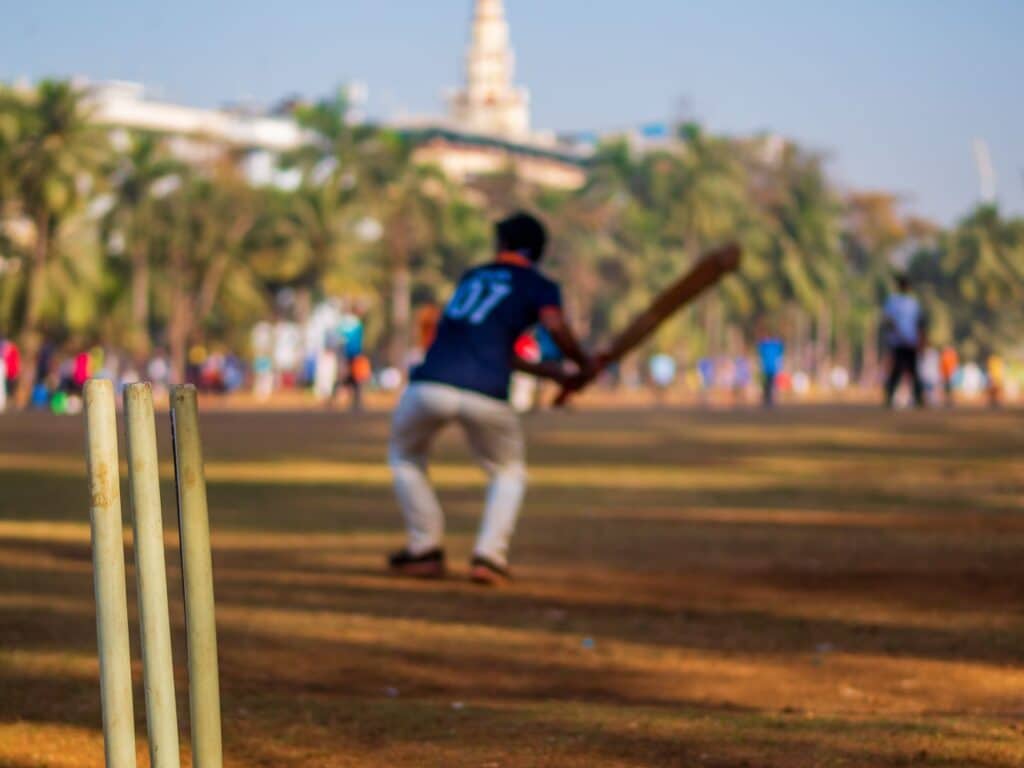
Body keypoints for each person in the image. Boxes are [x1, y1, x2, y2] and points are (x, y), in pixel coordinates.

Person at [388, 212, 595, 586]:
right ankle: (490, 556)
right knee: (507, 472)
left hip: (429, 383)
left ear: (500, 245)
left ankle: (424, 548)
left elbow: (492, 348)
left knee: (405, 457)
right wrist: (583, 362)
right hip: (486, 391)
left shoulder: (472, 277)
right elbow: (555, 325)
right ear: (539, 252)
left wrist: (558, 373)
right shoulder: (538, 285)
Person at [882, 274, 926, 408]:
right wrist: (897, 334)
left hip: (911, 342)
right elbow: (888, 321)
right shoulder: (892, 301)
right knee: (897, 370)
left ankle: (919, 398)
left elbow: (920, 323)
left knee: (913, 370)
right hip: (898, 341)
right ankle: (889, 396)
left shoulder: (913, 303)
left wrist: (920, 340)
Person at [757, 334, 784, 407]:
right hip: (768, 368)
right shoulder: (773, 345)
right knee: (768, 384)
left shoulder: (766, 345)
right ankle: (768, 399)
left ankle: (769, 399)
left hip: (769, 368)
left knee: (769, 384)